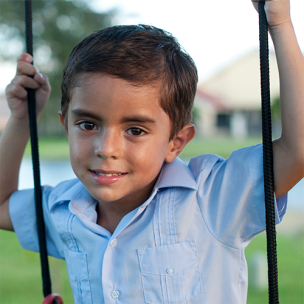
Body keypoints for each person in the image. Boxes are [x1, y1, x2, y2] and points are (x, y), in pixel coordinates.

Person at [0, 0, 303, 303]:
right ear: (66, 126)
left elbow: (297, 152)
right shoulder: (62, 210)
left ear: (176, 142)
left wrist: (279, 23)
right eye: (88, 125)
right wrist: (21, 120)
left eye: (135, 130)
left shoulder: (212, 198)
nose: (106, 149)